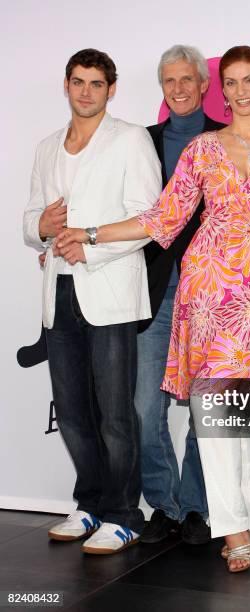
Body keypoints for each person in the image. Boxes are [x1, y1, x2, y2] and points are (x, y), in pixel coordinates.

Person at [55, 45, 250, 572]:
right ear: (224, 89)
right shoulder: (203, 150)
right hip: (206, 293)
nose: (240, 91)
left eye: (248, 80)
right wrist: (91, 233)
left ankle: (244, 514)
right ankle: (233, 530)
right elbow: (158, 220)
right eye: (231, 82)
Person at [23, 48, 162, 554]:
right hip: (58, 291)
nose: (86, 91)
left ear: (111, 89)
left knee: (114, 412)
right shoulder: (45, 147)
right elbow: (30, 219)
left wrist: (92, 244)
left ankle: (125, 513)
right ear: (66, 85)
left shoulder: (131, 140)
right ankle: (90, 504)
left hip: (107, 291)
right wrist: (42, 228)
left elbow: (150, 219)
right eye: (78, 82)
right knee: (76, 412)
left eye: (96, 83)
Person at [138, 45, 224, 546]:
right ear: (162, 87)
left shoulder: (227, 139)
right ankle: (163, 505)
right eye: (169, 80)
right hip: (151, 293)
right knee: (144, 408)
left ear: (203, 83)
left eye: (187, 78)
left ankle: (195, 506)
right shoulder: (141, 143)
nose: (179, 88)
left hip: (211, 296)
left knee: (203, 410)